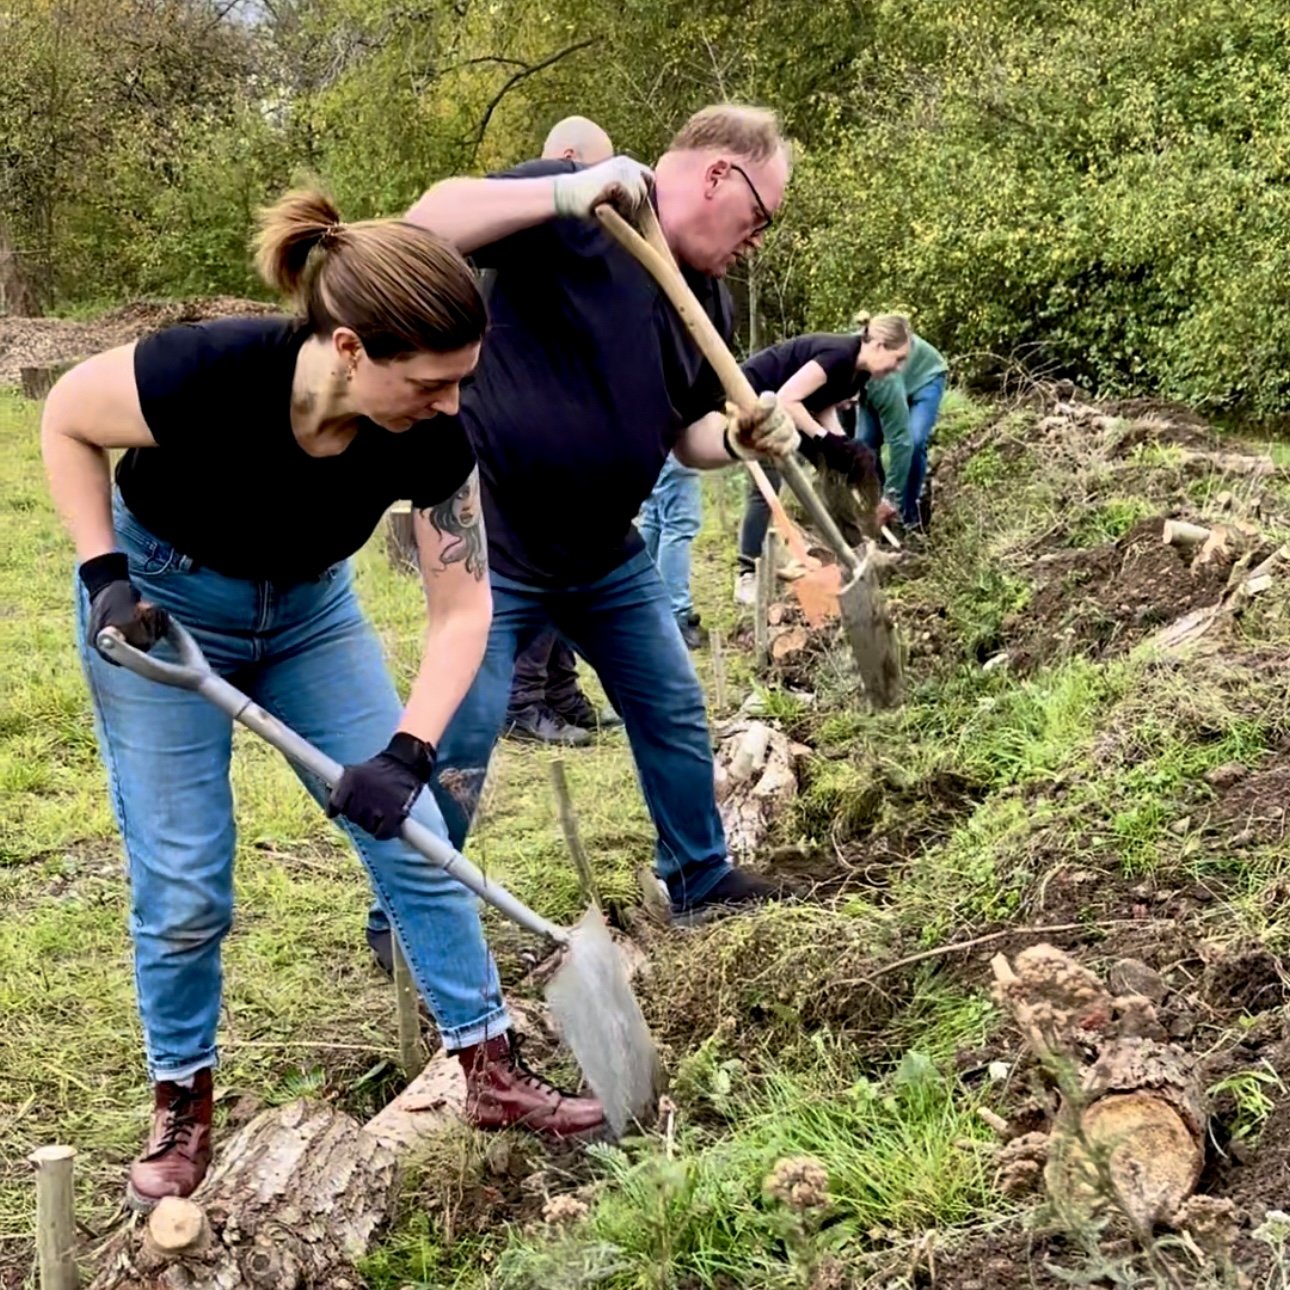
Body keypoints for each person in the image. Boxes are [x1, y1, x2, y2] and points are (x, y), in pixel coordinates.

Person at [40, 190, 605, 1208]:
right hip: (164, 608)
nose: (448, 405)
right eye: (430, 383)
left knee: (415, 836)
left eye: (460, 383)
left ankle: (486, 1066)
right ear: (350, 347)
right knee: (185, 884)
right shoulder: (208, 371)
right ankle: (182, 1101)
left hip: (309, 618)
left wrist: (408, 754)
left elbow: (461, 612)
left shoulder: (434, 438)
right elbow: (66, 418)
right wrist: (101, 574)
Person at [406, 103, 799, 924]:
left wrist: (740, 437)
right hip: (494, 541)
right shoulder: (585, 208)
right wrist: (568, 192)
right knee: (468, 731)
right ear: (720, 174)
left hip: (601, 556)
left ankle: (697, 876)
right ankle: (413, 912)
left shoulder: (710, 306)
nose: (759, 239)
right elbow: (425, 225)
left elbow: (687, 438)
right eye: (761, 216)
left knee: (670, 704)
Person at [502, 114, 624, 745]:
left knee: (567, 571)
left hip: (565, 442)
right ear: (569, 159)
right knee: (540, 575)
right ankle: (521, 704)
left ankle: (560, 692)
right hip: (522, 444)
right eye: (593, 174)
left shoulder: (571, 240)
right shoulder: (523, 223)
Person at [733, 316, 911, 605]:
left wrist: (841, 444)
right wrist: (823, 438)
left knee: (836, 473)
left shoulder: (859, 372)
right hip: (752, 400)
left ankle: (854, 553)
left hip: (785, 411)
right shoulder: (839, 354)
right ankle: (746, 574)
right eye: (898, 358)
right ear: (879, 346)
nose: (898, 368)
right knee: (767, 486)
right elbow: (787, 398)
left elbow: (823, 401)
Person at [855, 329, 948, 532]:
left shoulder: (883, 376)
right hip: (880, 384)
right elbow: (847, 436)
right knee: (863, 443)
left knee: (914, 442)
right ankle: (877, 507)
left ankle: (909, 517)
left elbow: (901, 440)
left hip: (924, 378)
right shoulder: (843, 364)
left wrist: (892, 496)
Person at [637, 451, 704, 649]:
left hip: (651, 439)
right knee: (678, 524)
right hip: (674, 441)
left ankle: (641, 604)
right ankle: (677, 616)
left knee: (655, 517)